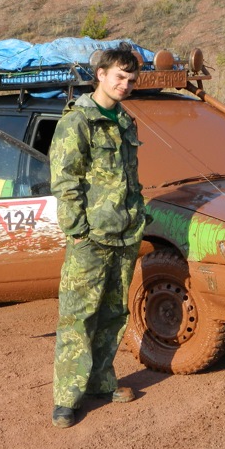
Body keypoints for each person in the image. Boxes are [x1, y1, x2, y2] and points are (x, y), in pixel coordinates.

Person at [49, 44, 149, 428]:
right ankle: (66, 399)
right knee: (78, 317)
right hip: (91, 239)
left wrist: (137, 215)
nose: (125, 84)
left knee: (113, 315)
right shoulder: (78, 122)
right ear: (101, 75)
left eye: (131, 79)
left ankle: (101, 382)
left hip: (124, 236)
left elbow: (130, 178)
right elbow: (65, 181)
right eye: (119, 77)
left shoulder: (124, 121)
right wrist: (77, 232)